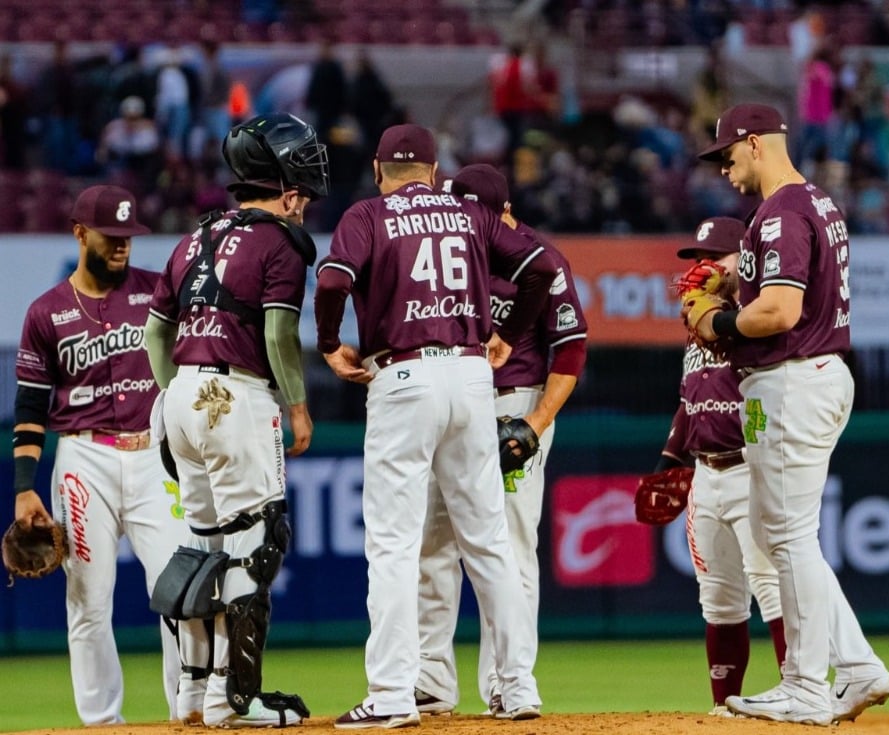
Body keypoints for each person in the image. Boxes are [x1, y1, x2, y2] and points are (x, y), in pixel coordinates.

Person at [314, 124, 554, 728]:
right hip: (473, 377)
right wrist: (508, 335)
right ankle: (518, 688)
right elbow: (540, 268)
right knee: (489, 539)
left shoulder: (368, 215)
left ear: (377, 168)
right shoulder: (466, 214)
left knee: (394, 544)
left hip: (404, 375)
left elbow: (334, 281)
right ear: (434, 168)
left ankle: (393, 696)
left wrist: (327, 344)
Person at [690, 103, 889, 725]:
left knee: (787, 538)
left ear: (754, 144)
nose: (725, 171)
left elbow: (779, 312)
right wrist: (731, 290)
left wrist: (716, 319)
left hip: (791, 380)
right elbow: (781, 296)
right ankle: (857, 668)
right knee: (790, 536)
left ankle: (806, 686)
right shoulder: (816, 204)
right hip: (808, 377)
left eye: (728, 156)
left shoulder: (781, 212)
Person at [143, 112, 329, 728]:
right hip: (236, 395)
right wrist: (298, 407)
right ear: (290, 189)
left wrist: (179, 396)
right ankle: (234, 700)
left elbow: (154, 333)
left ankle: (190, 697)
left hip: (180, 397)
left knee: (201, 549)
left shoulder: (192, 237)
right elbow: (279, 334)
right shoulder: (280, 242)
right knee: (254, 548)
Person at [413, 163, 588, 716]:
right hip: (452, 405)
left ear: (500, 213)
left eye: (472, 213)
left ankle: (506, 683)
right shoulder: (444, 258)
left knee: (508, 546)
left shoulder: (539, 259)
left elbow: (572, 350)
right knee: (431, 543)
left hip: (514, 404)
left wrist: (535, 425)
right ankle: (431, 681)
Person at [12, 184, 184, 725]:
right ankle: (101, 723)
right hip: (84, 462)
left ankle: (193, 713)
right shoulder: (47, 313)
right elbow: (30, 406)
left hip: (155, 456)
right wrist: (22, 487)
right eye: (112, 235)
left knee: (181, 593)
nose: (122, 246)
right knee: (87, 602)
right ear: (80, 233)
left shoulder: (160, 294)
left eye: (129, 236)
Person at [659, 216, 786, 717]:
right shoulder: (700, 320)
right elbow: (689, 399)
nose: (702, 269)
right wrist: (670, 459)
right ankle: (723, 711)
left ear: (744, 260)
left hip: (752, 469)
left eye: (714, 257)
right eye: (695, 260)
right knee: (718, 600)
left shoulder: (760, 314)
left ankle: (802, 693)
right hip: (706, 474)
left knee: (772, 586)